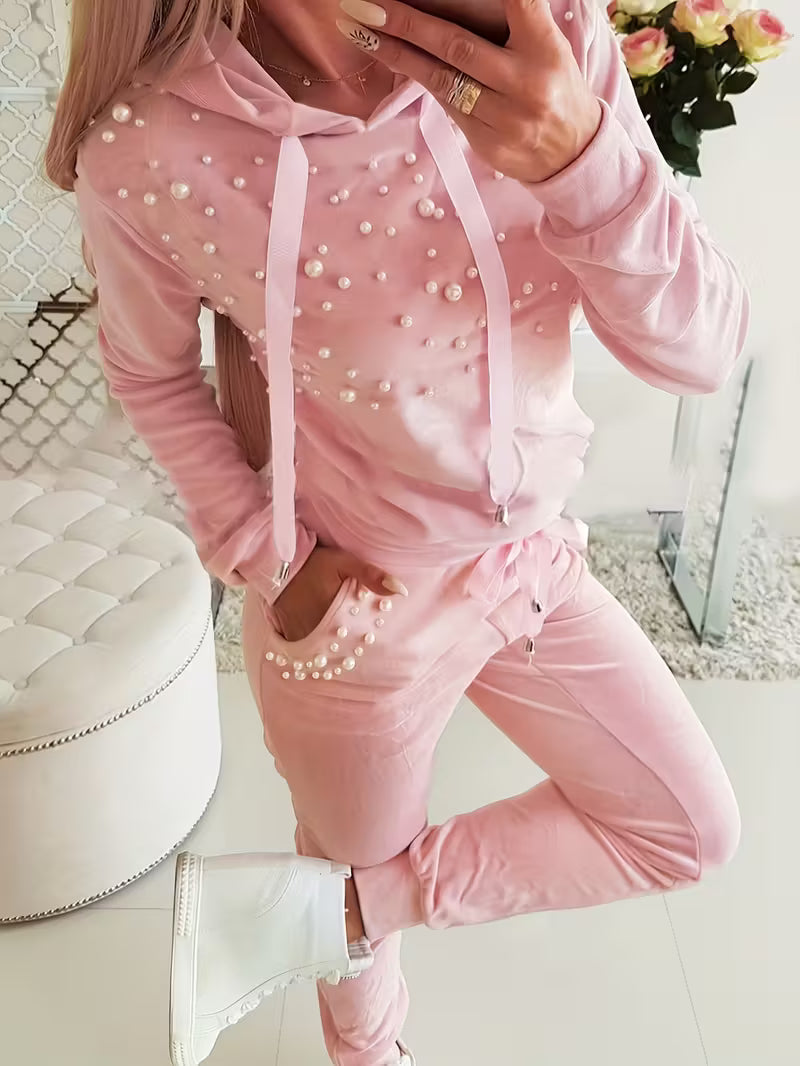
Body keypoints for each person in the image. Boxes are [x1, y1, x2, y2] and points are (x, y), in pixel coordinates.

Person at [47, 0, 748, 1063]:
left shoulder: (551, 36)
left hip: (527, 566)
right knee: (356, 930)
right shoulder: (153, 144)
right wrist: (268, 559)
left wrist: (582, 160)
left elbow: (703, 354)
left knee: (688, 826)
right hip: (351, 617)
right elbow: (149, 373)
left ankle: (321, 911)